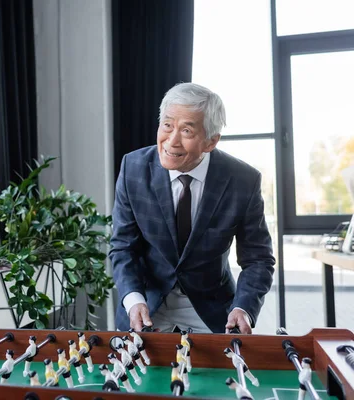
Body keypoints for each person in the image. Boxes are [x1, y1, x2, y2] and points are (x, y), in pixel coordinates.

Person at [109, 82, 275, 335]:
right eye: (167, 125)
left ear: (211, 142)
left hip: (213, 310)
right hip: (146, 305)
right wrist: (133, 299)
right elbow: (123, 246)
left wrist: (243, 308)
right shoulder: (133, 168)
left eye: (186, 131)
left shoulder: (243, 180)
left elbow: (258, 259)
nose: (171, 141)